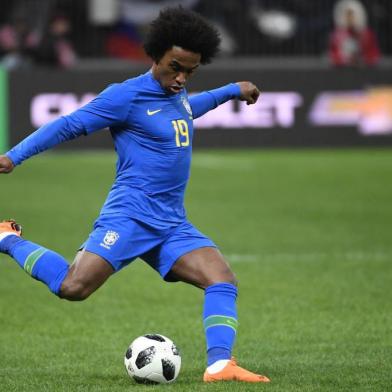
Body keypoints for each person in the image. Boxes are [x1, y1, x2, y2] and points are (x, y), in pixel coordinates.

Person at [0, 7, 268, 383]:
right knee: (73, 287)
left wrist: (230, 91)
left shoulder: (177, 92)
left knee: (221, 279)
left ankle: (220, 365)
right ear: (154, 55)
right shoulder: (125, 96)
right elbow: (68, 125)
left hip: (171, 221)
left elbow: (189, 108)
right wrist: (13, 157)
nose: (181, 78)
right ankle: (7, 238)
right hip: (130, 216)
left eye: (190, 71)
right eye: (175, 67)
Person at [328, 0, 380, 67]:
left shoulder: (367, 34)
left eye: (352, 15)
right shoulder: (336, 36)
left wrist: (362, 60)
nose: (350, 18)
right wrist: (345, 60)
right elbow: (333, 56)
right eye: (347, 15)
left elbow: (374, 55)